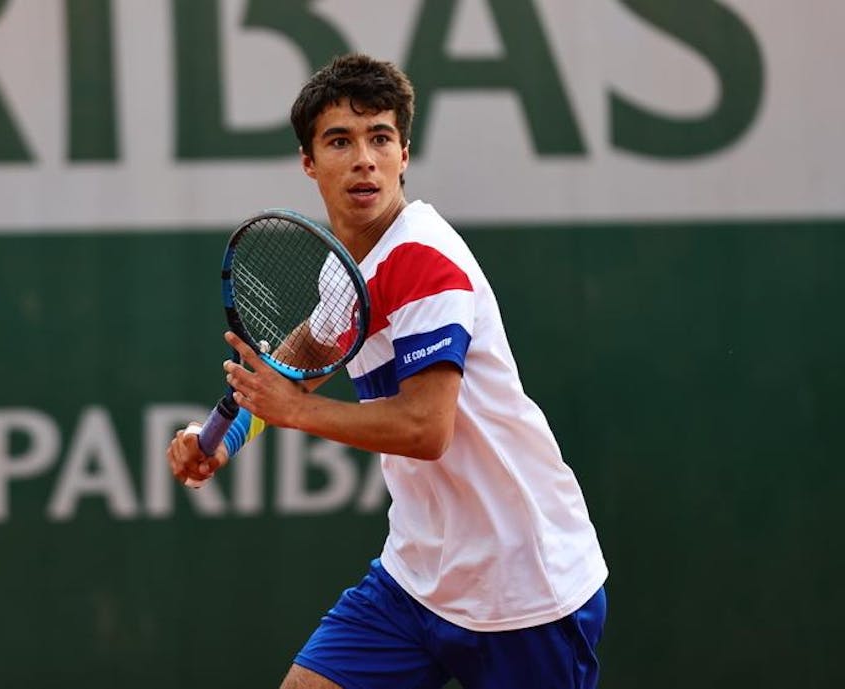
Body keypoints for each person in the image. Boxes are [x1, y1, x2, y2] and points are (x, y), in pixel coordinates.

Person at [167, 53, 608, 689]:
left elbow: (428, 429)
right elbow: (299, 370)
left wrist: (295, 412)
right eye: (340, 141)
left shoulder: (426, 261)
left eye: (380, 138)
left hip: (525, 585)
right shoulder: (345, 268)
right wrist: (219, 438)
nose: (363, 159)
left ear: (404, 154)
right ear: (309, 163)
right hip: (416, 580)